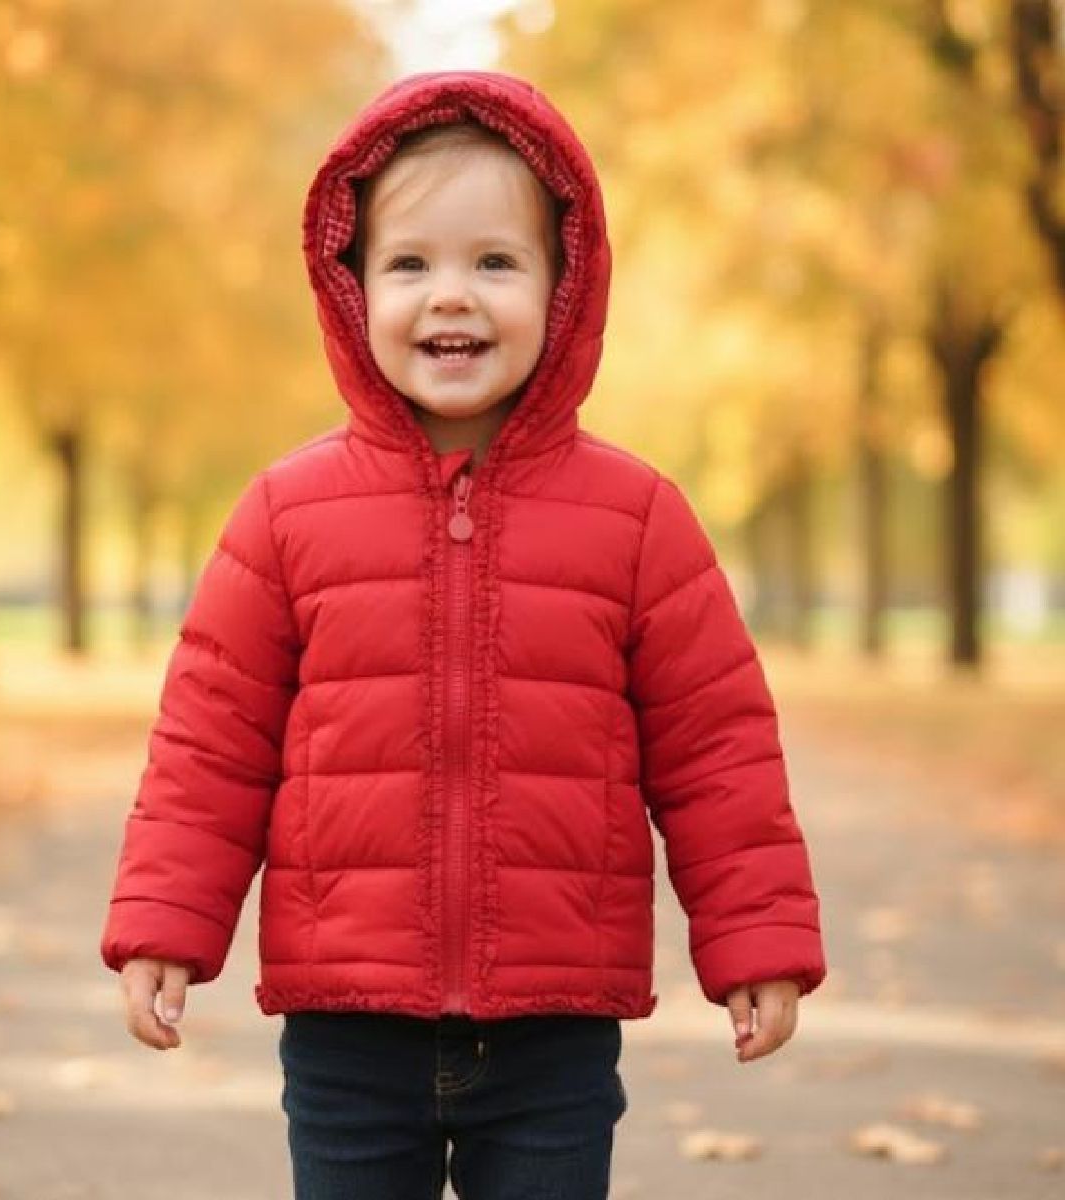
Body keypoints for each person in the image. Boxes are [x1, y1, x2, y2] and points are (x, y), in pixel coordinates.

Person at [100, 69, 827, 1199]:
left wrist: (756, 940)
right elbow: (210, 744)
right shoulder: (287, 515)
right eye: (410, 264)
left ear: (564, 284)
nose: (453, 297)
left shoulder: (637, 519)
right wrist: (164, 923)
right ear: (350, 288)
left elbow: (717, 748)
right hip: (347, 1027)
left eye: (495, 262)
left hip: (554, 1028)